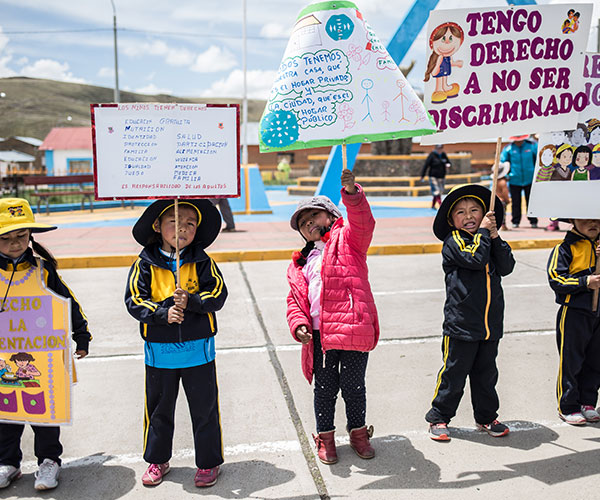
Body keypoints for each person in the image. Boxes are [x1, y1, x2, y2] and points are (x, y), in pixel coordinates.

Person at [125, 200, 227, 488]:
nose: (182, 228)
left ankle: (209, 463)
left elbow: (218, 293)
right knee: (158, 410)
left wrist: (193, 301)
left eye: (190, 224)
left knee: (205, 410)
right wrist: (162, 313)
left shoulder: (203, 261)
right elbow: (134, 300)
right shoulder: (144, 263)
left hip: (199, 353)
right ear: (157, 226)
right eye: (174, 221)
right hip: (160, 355)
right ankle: (158, 460)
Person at [286, 169, 379, 465]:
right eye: (303, 222)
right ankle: (325, 436)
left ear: (332, 216)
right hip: (319, 337)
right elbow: (295, 301)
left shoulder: (349, 241)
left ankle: (359, 433)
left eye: (315, 216)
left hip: (352, 330)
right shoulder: (301, 262)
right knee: (324, 390)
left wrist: (352, 195)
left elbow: (364, 224)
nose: (310, 223)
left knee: (354, 388)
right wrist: (298, 324)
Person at [0, 198, 91, 491]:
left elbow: (68, 303)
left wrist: (82, 335)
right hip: (3, 356)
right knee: (6, 412)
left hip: (43, 356)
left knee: (45, 412)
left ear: (30, 237)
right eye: (5, 238)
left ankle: (49, 461)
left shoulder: (43, 269)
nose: (15, 244)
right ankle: (8, 463)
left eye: (21, 236)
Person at [425, 185, 515, 441]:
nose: (469, 216)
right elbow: (475, 258)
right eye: (461, 212)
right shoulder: (453, 242)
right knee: (454, 373)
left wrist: (495, 236)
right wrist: (486, 233)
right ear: (452, 221)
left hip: (490, 324)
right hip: (461, 324)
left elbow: (507, 266)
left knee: (486, 375)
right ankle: (439, 416)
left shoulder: (489, 239)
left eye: (475, 210)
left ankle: (486, 417)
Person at [547, 219, 600, 425]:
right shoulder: (565, 248)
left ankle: (587, 402)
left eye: (597, 219)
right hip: (574, 313)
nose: (593, 223)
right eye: (586, 219)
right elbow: (556, 279)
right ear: (573, 221)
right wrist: (586, 282)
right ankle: (568, 405)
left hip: (598, 314)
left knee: (595, 360)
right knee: (572, 360)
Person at [500, 134, 538, 228]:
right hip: (514, 180)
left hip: (530, 179)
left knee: (531, 201)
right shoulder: (508, 149)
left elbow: (538, 160)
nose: (518, 141)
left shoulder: (532, 146)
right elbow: (503, 163)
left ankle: (533, 221)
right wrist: (507, 175)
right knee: (516, 202)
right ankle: (515, 221)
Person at [421, 144, 452, 209]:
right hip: (433, 176)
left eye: (441, 148)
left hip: (441, 176)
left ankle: (433, 205)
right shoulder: (432, 155)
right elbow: (426, 165)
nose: (439, 149)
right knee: (436, 191)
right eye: (438, 148)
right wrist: (422, 175)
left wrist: (448, 165)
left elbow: (448, 162)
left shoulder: (443, 155)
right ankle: (441, 206)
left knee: (440, 191)